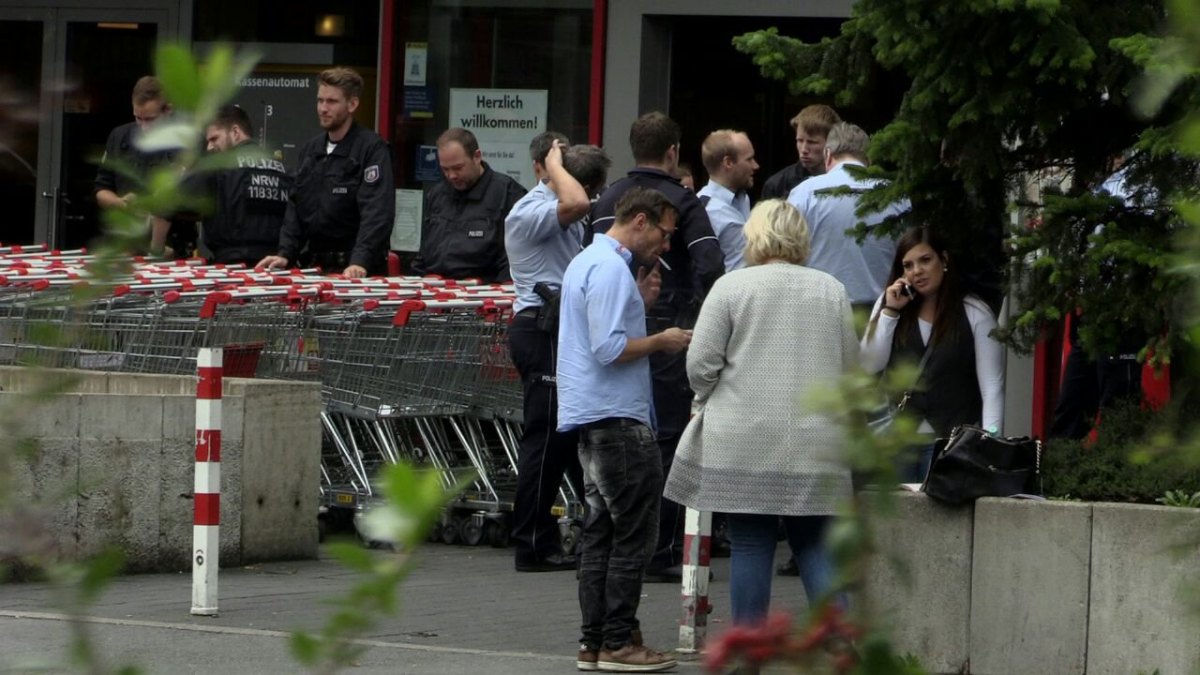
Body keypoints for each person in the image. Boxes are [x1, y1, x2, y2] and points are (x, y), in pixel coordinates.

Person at [664, 199, 857, 627]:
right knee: (814, 543)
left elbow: (700, 364)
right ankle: (842, 641)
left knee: (752, 544)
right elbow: (849, 368)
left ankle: (747, 649)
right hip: (816, 440)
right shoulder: (831, 289)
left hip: (743, 436)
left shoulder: (732, 287)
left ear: (754, 235)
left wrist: (706, 395)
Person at [558, 186, 691, 673]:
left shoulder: (588, 261)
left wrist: (638, 303)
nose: (666, 245)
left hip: (592, 418)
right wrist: (662, 338)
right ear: (640, 220)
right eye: (664, 233)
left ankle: (594, 642)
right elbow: (610, 348)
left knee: (600, 536)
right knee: (632, 536)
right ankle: (618, 642)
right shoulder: (612, 268)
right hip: (618, 421)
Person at [591, 111, 725, 581]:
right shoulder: (683, 202)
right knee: (668, 436)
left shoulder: (607, 198)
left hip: (616, 325)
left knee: (618, 435)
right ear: (673, 153)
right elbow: (709, 263)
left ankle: (613, 546)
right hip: (669, 326)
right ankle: (660, 548)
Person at [505, 141, 611, 573]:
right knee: (545, 439)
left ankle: (573, 531)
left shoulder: (561, 202)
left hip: (561, 328)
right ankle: (531, 544)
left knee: (564, 437)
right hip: (539, 328)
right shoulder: (530, 211)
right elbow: (578, 201)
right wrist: (553, 166)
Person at [861, 227, 1005, 481]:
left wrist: (989, 442)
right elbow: (870, 364)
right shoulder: (889, 305)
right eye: (908, 265)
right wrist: (890, 313)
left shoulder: (974, 312)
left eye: (925, 260)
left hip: (951, 445)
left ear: (944, 260)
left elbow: (992, 386)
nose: (917, 271)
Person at [258, 67, 394, 278]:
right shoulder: (311, 151)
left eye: (331, 101)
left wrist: (360, 261)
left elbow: (377, 213)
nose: (323, 108)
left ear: (352, 104)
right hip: (315, 267)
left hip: (356, 272)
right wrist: (286, 252)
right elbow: (295, 208)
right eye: (320, 100)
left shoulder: (371, 149)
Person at [788, 122, 907, 309]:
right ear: (869, 159)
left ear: (827, 154)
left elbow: (787, 253)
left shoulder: (804, 193)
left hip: (819, 308)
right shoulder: (896, 195)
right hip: (882, 309)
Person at [410, 127, 526, 281]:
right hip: (434, 290)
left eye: (458, 168)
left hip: (481, 294)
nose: (451, 176)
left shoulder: (508, 194)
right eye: (445, 169)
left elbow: (513, 261)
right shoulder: (437, 195)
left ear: (477, 157)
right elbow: (424, 252)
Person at [94, 75, 189, 255]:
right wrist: (120, 203)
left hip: (169, 246)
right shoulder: (119, 136)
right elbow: (101, 189)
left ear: (168, 110)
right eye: (138, 118)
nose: (144, 126)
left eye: (150, 119)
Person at [188, 105, 291, 267]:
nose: (209, 147)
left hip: (230, 269)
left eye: (214, 139)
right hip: (273, 268)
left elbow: (166, 203)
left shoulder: (218, 167)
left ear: (235, 132)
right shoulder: (283, 170)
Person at [696, 129, 758, 271]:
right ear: (728, 163)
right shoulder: (707, 210)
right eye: (749, 159)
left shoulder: (743, 198)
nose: (755, 165)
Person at [760, 104, 841, 201]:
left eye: (812, 142)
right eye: (799, 140)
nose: (804, 149)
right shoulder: (777, 185)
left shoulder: (849, 182)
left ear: (831, 143)